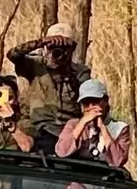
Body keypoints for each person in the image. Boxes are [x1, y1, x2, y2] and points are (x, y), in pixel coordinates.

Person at [6, 23, 92, 154]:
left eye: (63, 48)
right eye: (53, 47)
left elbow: (84, 95)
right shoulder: (36, 65)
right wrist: (40, 43)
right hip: (37, 128)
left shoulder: (80, 71)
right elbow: (13, 55)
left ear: (72, 49)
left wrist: (65, 69)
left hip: (67, 129)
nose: (57, 52)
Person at [55, 79, 130, 167]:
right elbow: (61, 152)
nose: (91, 106)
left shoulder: (120, 128)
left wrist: (103, 129)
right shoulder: (73, 125)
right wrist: (82, 124)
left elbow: (118, 160)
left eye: (95, 101)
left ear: (105, 101)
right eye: (86, 103)